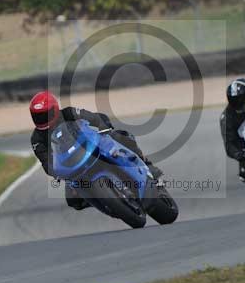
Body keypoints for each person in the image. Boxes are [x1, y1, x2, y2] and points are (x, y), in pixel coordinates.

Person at [29, 90, 163, 210]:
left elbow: (94, 117)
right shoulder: (37, 138)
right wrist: (56, 172)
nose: (43, 119)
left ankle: (148, 166)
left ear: (55, 109)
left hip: (93, 147)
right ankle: (103, 200)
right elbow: (46, 161)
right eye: (39, 116)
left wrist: (104, 128)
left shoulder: (69, 113)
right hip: (72, 165)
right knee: (73, 200)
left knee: (122, 137)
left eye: (46, 114)